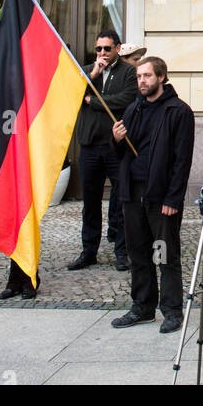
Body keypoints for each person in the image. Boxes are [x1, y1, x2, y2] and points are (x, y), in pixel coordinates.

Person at [109, 56, 195, 333]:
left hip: (161, 197)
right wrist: (117, 139)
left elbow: (182, 161)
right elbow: (121, 154)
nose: (142, 81)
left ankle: (172, 310)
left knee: (165, 254)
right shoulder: (134, 109)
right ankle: (142, 306)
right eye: (138, 77)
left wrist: (173, 199)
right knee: (139, 253)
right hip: (132, 193)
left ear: (161, 77)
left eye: (146, 76)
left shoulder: (178, 111)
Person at [69, 29, 137, 271]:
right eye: (98, 49)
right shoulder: (87, 72)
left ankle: (122, 252)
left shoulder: (129, 72)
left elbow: (125, 100)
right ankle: (89, 252)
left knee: (120, 200)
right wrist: (94, 73)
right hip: (89, 145)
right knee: (90, 202)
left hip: (116, 146)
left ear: (118, 48)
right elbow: (72, 97)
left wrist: (92, 101)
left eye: (107, 49)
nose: (102, 53)